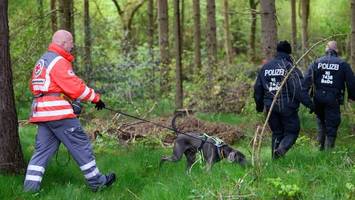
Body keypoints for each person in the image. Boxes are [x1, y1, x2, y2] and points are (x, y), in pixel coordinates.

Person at [24, 30, 115, 192]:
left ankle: (30, 190)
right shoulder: (58, 61)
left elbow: (35, 86)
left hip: (42, 114)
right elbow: (75, 87)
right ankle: (97, 182)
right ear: (63, 42)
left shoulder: (42, 60)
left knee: (42, 152)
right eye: (71, 41)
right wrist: (96, 98)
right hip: (58, 114)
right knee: (81, 145)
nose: (73, 45)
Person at [254, 41, 314, 159]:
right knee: (292, 131)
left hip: (270, 106)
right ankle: (281, 150)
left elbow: (257, 88)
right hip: (287, 107)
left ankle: (275, 160)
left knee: (277, 133)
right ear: (289, 52)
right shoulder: (289, 67)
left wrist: (259, 106)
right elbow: (298, 89)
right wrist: (311, 105)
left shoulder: (265, 67)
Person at [303, 41, 355, 150]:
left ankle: (320, 148)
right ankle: (328, 151)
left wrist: (307, 99)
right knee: (332, 123)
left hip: (318, 98)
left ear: (326, 50)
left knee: (321, 121)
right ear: (337, 50)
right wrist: (352, 96)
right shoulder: (342, 64)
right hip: (333, 98)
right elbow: (351, 82)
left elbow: (306, 81)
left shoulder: (316, 62)